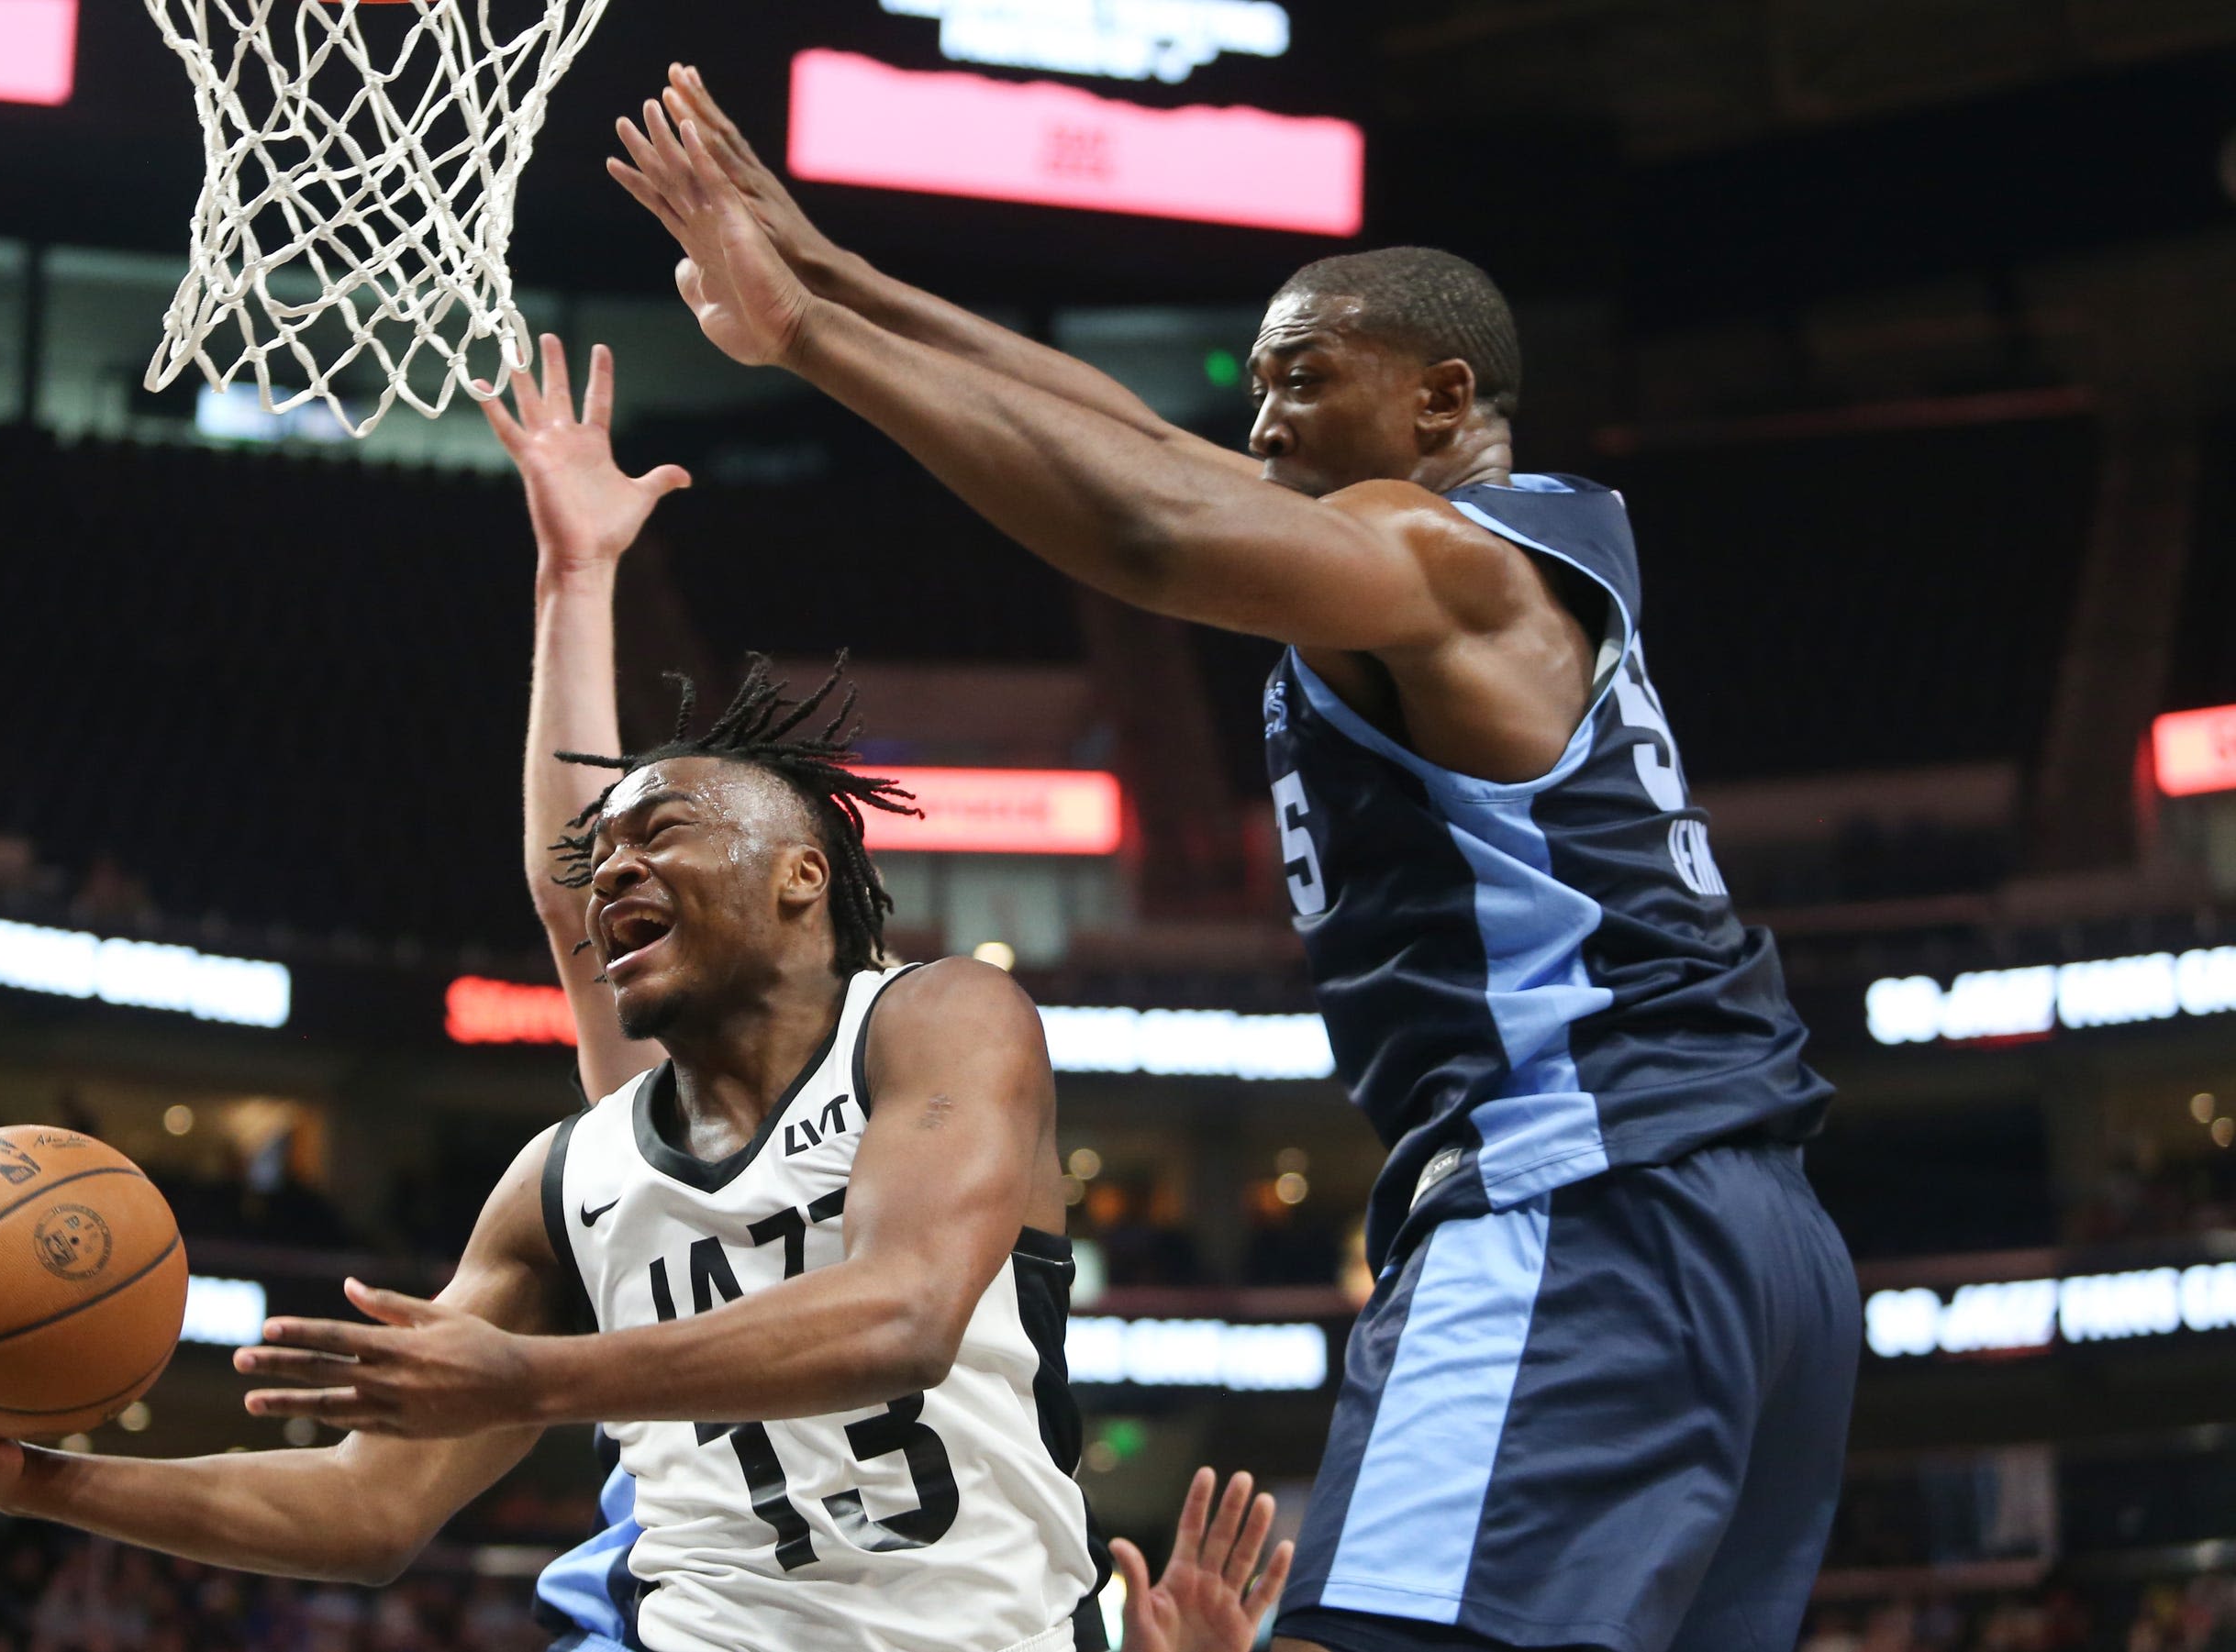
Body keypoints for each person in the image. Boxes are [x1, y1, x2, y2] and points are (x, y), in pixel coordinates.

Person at [614, 69, 1859, 1652]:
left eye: (1302, 383)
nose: (1260, 422)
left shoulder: (1440, 558)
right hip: (1758, 1239)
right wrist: (830, 267)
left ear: (1437, 398)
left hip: (1584, 1199)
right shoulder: (1501, 556)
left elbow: (1143, 530)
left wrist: (806, 342)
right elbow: (1133, 438)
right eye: (1256, 388)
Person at [0, 340, 1284, 1652]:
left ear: (804, 878)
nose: (615, 871)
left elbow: (901, 1314)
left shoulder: (940, 1021)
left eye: (667, 834)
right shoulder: (571, 1180)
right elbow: (372, 1506)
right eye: (604, 852)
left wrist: (529, 1373)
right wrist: (26, 1481)